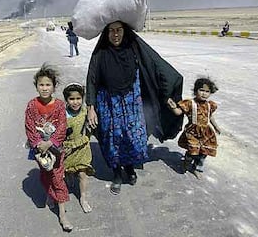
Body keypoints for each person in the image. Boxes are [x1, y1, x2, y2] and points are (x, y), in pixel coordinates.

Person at [86, 21, 183, 195]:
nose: (115, 34)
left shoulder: (134, 49)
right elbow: (91, 80)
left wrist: (167, 93)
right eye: (111, 31)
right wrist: (90, 107)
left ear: (125, 32)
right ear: (106, 34)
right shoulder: (100, 54)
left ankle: (129, 168)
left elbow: (156, 66)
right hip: (108, 104)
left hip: (132, 103)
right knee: (112, 139)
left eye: (119, 30)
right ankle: (116, 174)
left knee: (131, 136)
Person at [24, 63, 73, 232]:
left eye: (48, 85)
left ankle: (62, 214)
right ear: (36, 86)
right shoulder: (31, 105)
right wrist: (38, 144)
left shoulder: (59, 105)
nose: (44, 88)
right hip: (39, 150)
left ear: (54, 86)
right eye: (41, 85)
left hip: (55, 148)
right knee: (45, 175)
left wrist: (50, 143)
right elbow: (29, 126)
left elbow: (62, 126)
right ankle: (50, 195)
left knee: (58, 178)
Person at [167, 77, 222, 179]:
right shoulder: (189, 103)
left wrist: (216, 127)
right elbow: (178, 112)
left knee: (203, 152)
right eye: (201, 90)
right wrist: (173, 107)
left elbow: (210, 116)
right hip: (193, 131)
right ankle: (186, 163)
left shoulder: (210, 105)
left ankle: (196, 168)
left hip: (206, 133)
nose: (204, 93)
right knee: (193, 151)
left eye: (207, 91)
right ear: (196, 91)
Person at [62, 83, 95, 213]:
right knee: (68, 170)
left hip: (82, 147)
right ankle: (69, 175)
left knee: (82, 173)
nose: (75, 102)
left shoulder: (86, 111)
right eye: (71, 99)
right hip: (68, 149)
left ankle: (83, 198)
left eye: (78, 99)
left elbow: (91, 127)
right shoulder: (62, 114)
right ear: (66, 100)